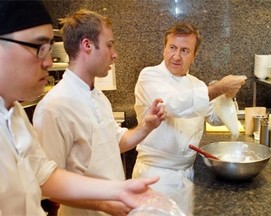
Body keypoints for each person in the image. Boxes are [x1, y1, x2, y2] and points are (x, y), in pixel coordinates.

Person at [0, 1, 161, 215]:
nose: (49, 62)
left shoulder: (16, 115)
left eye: (50, 49)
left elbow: (44, 174)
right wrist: (104, 201)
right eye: (40, 48)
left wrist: (119, 190)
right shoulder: (53, 106)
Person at [132, 22, 247, 216]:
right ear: (164, 48)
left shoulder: (197, 84)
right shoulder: (149, 76)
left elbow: (215, 118)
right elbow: (172, 105)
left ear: (194, 56)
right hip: (154, 175)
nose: (176, 56)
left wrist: (227, 97)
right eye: (172, 48)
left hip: (187, 174)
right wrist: (218, 88)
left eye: (185, 50)